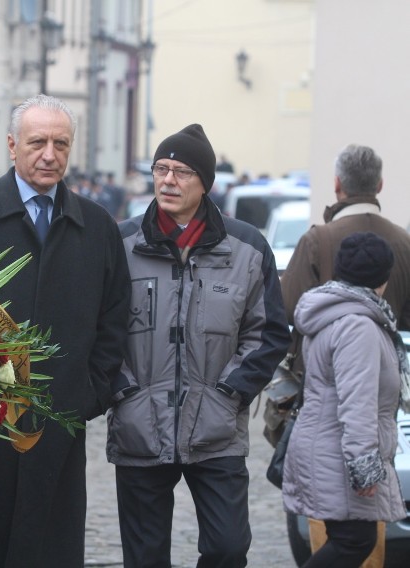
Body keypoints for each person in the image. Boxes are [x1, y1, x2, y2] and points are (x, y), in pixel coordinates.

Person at [0, 94, 131, 567]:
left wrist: (88, 394)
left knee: (48, 546)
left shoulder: (96, 226)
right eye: (38, 142)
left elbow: (115, 318)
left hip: (58, 420)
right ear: (12, 146)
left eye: (61, 143)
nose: (49, 154)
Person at [108, 123, 290, 567]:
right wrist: (123, 390)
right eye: (161, 169)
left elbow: (267, 332)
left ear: (204, 182)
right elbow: (97, 327)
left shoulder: (247, 247)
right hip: (139, 427)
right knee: (145, 557)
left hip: (216, 429)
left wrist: (230, 392)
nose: (168, 180)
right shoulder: (121, 243)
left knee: (228, 549)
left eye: (182, 172)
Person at [283, 232, 407, 568]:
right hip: (337, 453)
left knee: (351, 539)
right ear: (384, 277)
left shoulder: (337, 314)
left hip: (325, 447)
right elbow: (357, 401)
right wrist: (363, 466)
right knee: (355, 541)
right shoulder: (357, 326)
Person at [282, 144, 410, 330]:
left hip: (324, 357)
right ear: (380, 185)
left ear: (337, 183)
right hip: (388, 356)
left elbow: (288, 308)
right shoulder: (404, 242)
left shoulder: (316, 241)